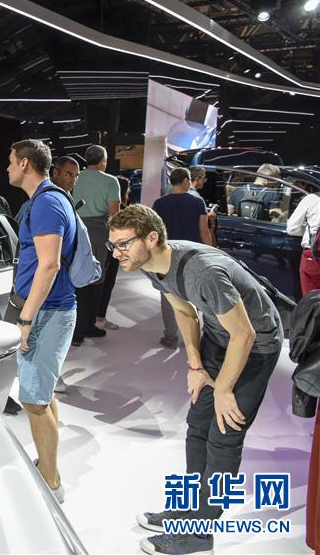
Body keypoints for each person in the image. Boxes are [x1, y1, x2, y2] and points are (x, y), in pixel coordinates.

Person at [107, 205, 282, 555]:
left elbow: (245, 335)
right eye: (113, 245)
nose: (116, 253)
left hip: (255, 346)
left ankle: (201, 533)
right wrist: (196, 366)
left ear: (151, 238)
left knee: (224, 435)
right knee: (198, 425)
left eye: (123, 244)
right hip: (219, 338)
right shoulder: (154, 265)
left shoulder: (203, 272)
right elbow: (184, 312)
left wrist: (225, 389)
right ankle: (189, 510)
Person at [4, 139, 76, 503]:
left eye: (10, 161)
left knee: (33, 401)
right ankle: (48, 464)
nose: (7, 168)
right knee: (42, 395)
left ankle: (51, 482)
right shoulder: (48, 200)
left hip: (46, 312)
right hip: (48, 310)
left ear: (25, 163)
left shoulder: (47, 203)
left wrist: (26, 318)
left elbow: (49, 265)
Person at [153, 168, 212, 349]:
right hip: (192, 254)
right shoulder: (197, 202)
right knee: (194, 294)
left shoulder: (159, 203)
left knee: (168, 295)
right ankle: (193, 338)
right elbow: (204, 231)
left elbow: (155, 232)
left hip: (167, 254)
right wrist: (211, 252)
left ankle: (170, 336)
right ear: (186, 180)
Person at [70, 145, 120, 346]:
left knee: (77, 277)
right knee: (96, 280)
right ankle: (84, 329)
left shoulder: (76, 176)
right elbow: (114, 214)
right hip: (99, 232)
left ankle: (77, 328)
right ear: (103, 161)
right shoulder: (111, 181)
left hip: (75, 230)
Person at [95, 175, 130, 331]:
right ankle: (100, 319)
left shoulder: (103, 207)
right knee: (107, 282)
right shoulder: (120, 210)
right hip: (112, 249)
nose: (129, 193)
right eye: (128, 190)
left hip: (99, 246)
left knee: (96, 283)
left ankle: (92, 318)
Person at [286, 184, 320, 295]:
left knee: (312, 300)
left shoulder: (312, 199)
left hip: (314, 257)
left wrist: (308, 231)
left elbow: (292, 229)